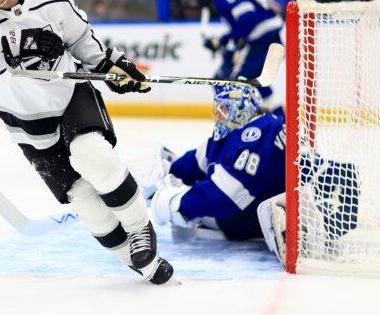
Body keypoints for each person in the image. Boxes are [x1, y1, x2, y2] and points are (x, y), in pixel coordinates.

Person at [0, 0, 174, 284]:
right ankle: (141, 261)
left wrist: (110, 65)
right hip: (24, 117)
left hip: (69, 94)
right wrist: (13, 52)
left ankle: (140, 231)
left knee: (91, 155)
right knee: (82, 196)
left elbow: (82, 41)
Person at [139, 84, 359, 266]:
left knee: (245, 210)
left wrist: (179, 203)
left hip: (276, 207)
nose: (219, 115)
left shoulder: (255, 134)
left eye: (224, 109)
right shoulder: (246, 131)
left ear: (241, 110)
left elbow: (227, 198)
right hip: (314, 187)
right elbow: (195, 162)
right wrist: (167, 174)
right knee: (178, 182)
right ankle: (305, 221)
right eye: (218, 109)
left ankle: (307, 224)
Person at [203, 0, 283, 108]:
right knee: (256, 81)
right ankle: (279, 124)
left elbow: (247, 17)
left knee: (233, 84)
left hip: (261, 41)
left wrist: (223, 40)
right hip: (270, 38)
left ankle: (239, 128)